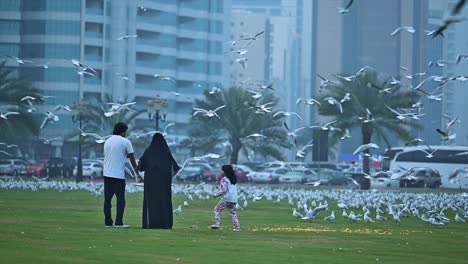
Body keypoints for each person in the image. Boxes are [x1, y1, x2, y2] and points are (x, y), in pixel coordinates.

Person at [103, 122, 142, 228]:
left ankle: (108, 222)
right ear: (123, 132)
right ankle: (119, 222)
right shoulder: (125, 142)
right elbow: (132, 158)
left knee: (107, 200)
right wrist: (137, 172)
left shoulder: (107, 141)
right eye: (126, 132)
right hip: (118, 176)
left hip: (106, 174)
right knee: (120, 200)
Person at [138, 133, 180, 229]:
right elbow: (175, 168)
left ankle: (151, 224)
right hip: (164, 183)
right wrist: (167, 177)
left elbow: (141, 166)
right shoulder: (166, 152)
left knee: (151, 202)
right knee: (164, 202)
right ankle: (166, 224)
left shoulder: (148, 151)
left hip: (150, 183)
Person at [211, 165, 240, 231]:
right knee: (232, 213)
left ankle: (217, 224)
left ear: (225, 172)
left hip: (227, 198)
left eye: (222, 170)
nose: (221, 172)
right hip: (234, 199)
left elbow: (223, 190)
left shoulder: (224, 179)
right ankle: (237, 227)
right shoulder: (233, 179)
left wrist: (216, 195)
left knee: (217, 209)